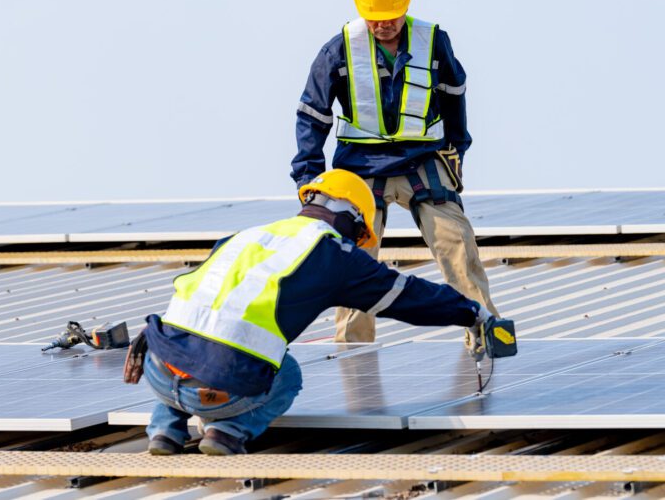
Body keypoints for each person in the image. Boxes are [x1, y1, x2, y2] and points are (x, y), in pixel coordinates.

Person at [125, 169, 491, 456]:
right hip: (221, 391)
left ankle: (164, 431)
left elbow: (195, 296)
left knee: (191, 348)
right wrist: (471, 311)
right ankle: (227, 432)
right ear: (350, 217)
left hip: (156, 364)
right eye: (360, 232)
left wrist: (154, 336)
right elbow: (408, 296)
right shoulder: (335, 255)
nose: (357, 241)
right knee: (287, 373)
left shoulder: (248, 235)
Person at [292, 0, 499, 343]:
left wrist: (456, 153)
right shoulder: (338, 51)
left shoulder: (433, 42)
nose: (383, 24)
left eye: (391, 15)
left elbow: (455, 99)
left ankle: (486, 333)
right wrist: (309, 176)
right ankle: (354, 357)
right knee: (353, 263)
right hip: (360, 168)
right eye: (374, 16)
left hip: (423, 161)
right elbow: (312, 114)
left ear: (406, 4)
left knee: (457, 244)